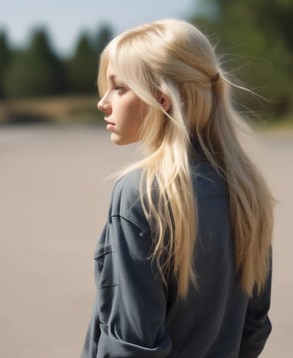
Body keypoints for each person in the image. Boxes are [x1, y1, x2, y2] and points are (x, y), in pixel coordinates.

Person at [81, 19, 274, 358]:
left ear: (161, 98)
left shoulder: (140, 193)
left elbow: (133, 343)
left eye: (120, 88)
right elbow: (253, 328)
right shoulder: (247, 189)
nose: (103, 102)